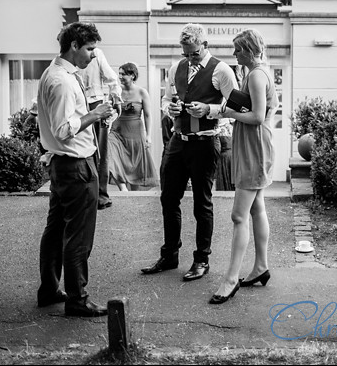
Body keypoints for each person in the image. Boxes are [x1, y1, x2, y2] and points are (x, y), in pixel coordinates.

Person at [141, 23, 238, 282]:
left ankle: (201, 259)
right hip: (178, 141)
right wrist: (168, 109)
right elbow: (165, 99)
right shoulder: (176, 68)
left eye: (194, 53)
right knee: (168, 199)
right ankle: (170, 254)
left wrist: (210, 110)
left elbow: (238, 107)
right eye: (186, 53)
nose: (189, 57)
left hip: (206, 142)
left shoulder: (222, 70)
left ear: (205, 45)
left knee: (201, 203)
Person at [36, 22, 114, 317]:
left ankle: (50, 289)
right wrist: (94, 114)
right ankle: (78, 300)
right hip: (76, 166)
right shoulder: (63, 82)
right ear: (74, 46)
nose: (94, 55)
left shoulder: (54, 74)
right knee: (78, 237)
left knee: (55, 231)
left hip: (62, 164)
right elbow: (63, 128)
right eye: (90, 49)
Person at [210, 29, 277, 304]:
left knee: (239, 216)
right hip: (255, 146)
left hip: (255, 147)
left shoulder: (257, 75)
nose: (234, 55)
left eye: (237, 50)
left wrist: (229, 112)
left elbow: (258, 117)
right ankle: (261, 267)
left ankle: (230, 279)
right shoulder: (257, 73)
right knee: (257, 207)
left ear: (248, 50)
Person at [78, 46, 122, 210]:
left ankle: (99, 195)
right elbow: (112, 78)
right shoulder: (90, 53)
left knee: (97, 150)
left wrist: (116, 97)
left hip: (91, 103)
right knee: (93, 151)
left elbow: (111, 78)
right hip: (83, 104)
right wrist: (116, 99)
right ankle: (96, 195)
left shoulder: (95, 53)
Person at [107, 62, 159, 191]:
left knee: (135, 164)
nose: (120, 77)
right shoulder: (115, 91)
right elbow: (108, 110)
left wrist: (148, 136)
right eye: (119, 74)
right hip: (117, 130)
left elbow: (147, 115)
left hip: (135, 131)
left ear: (132, 75)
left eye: (123, 74)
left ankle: (134, 195)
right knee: (112, 155)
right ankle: (123, 188)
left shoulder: (142, 92)